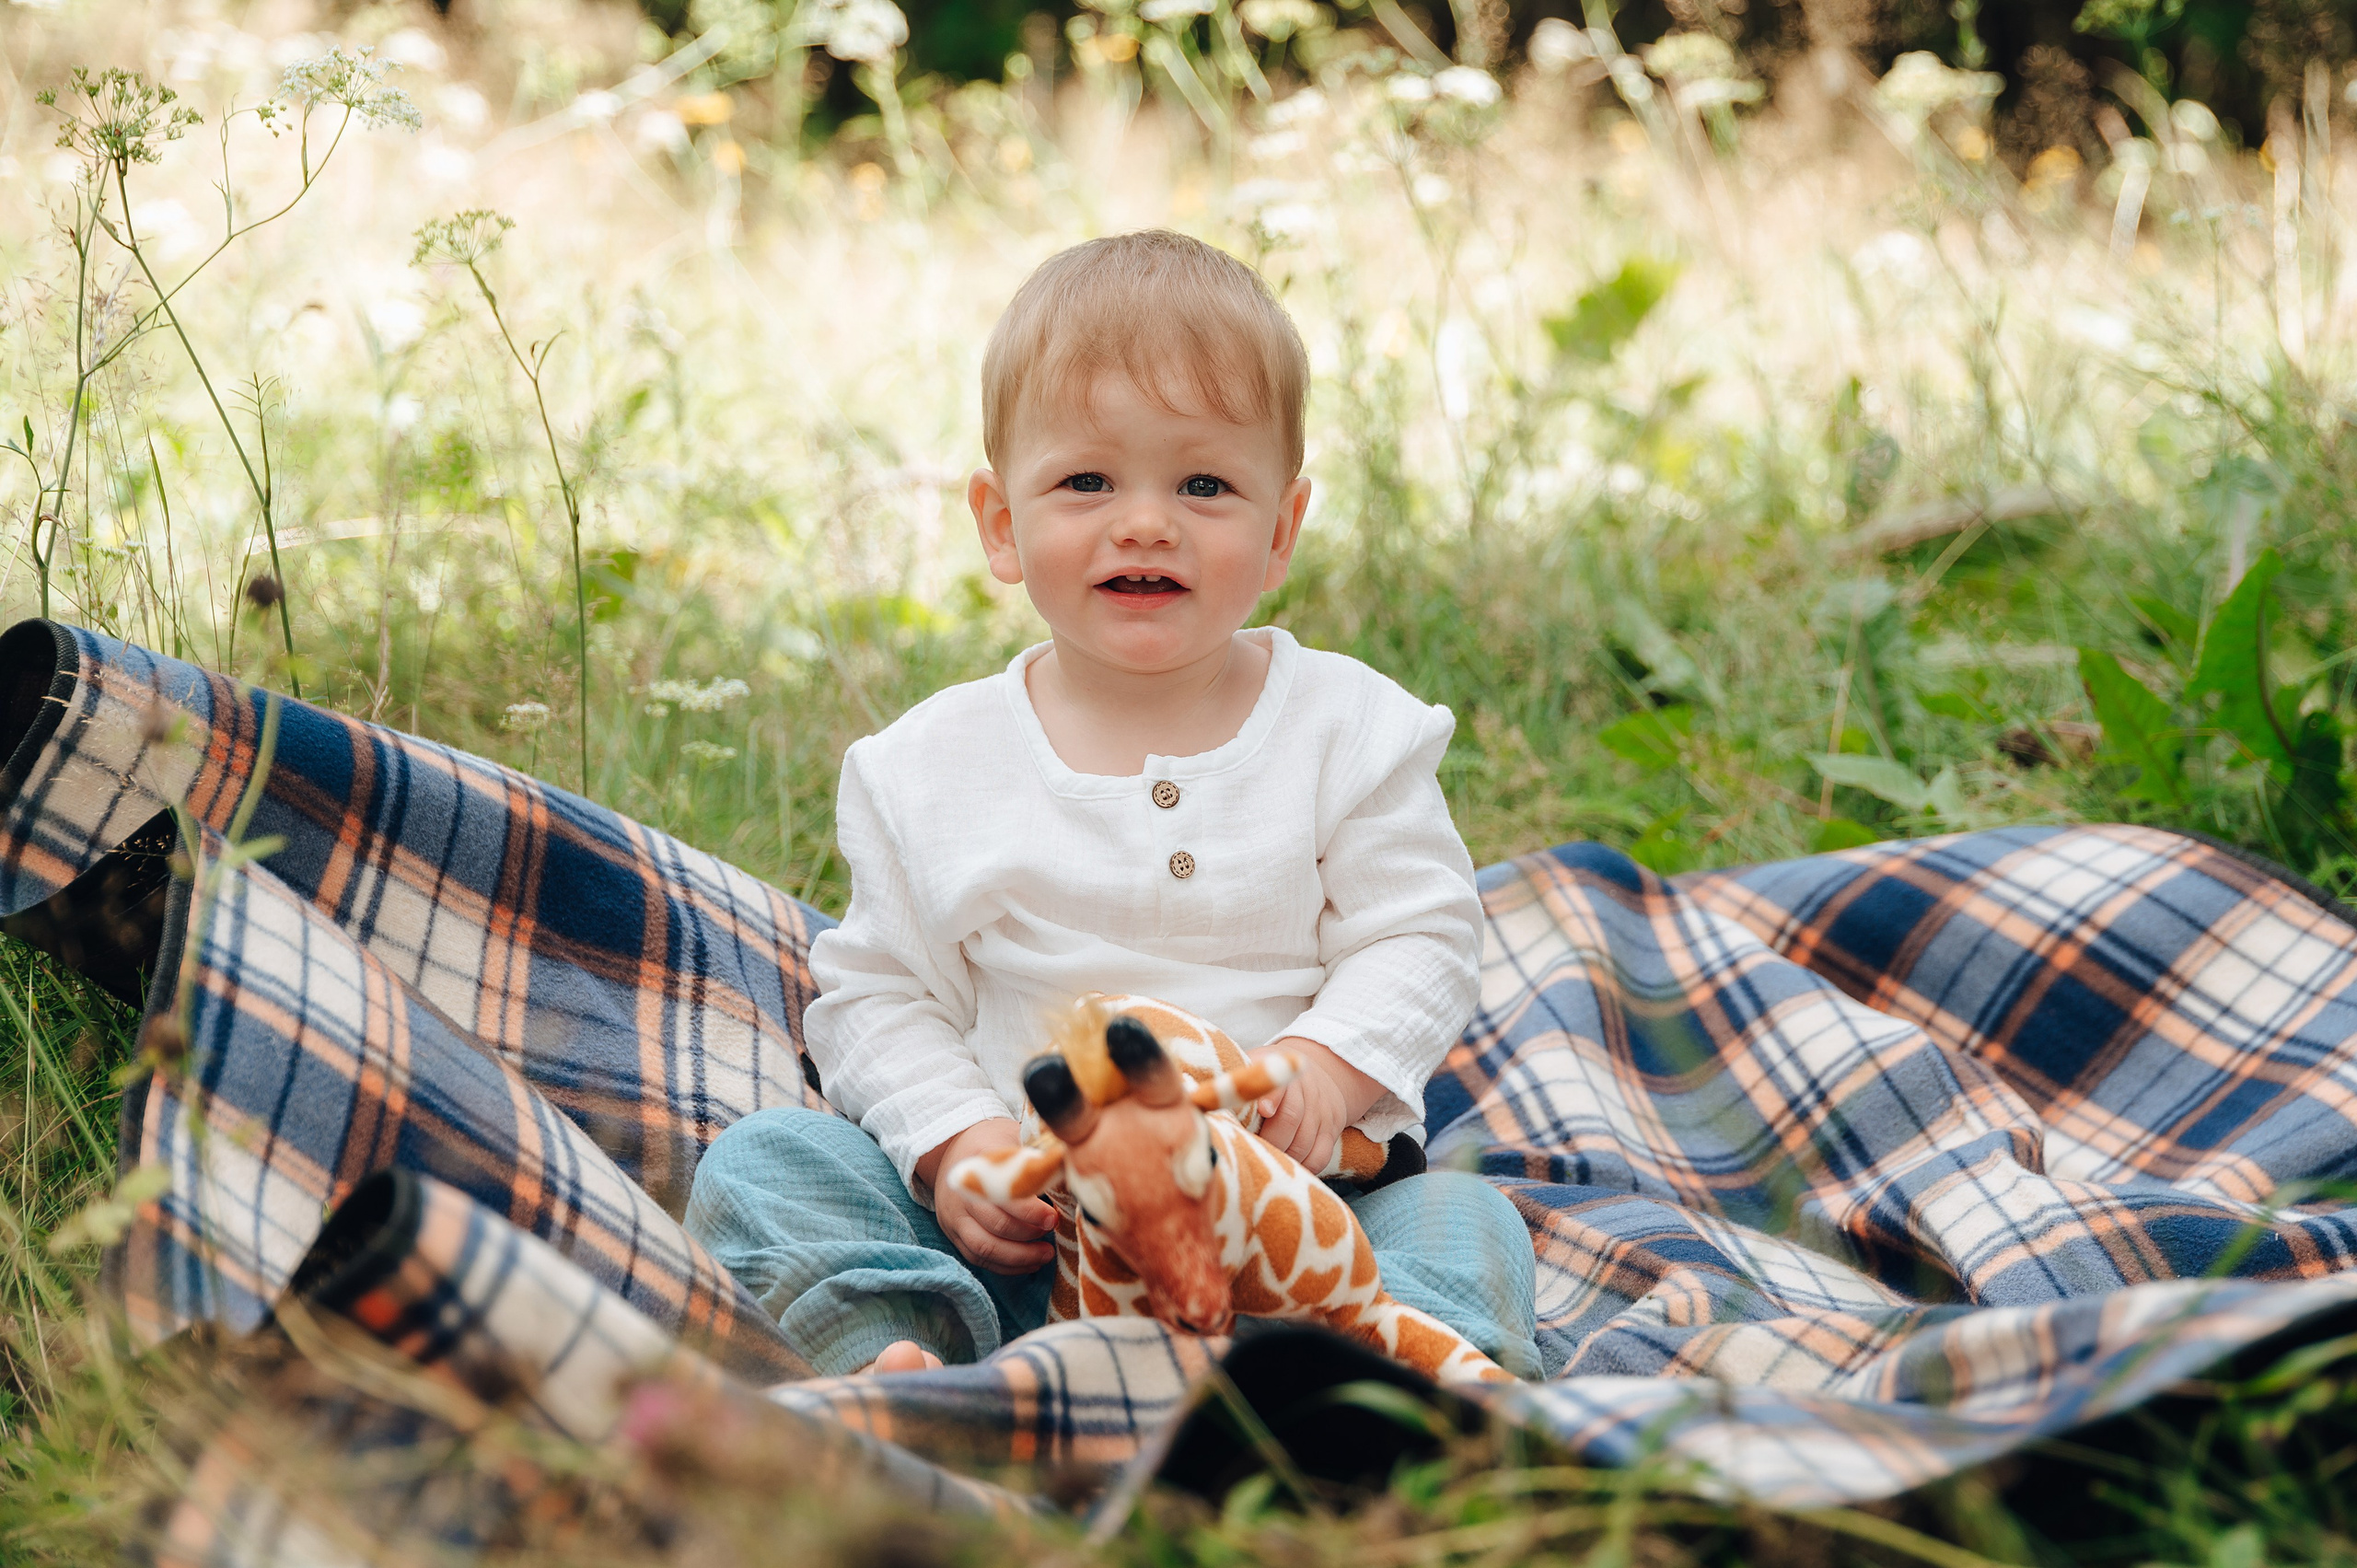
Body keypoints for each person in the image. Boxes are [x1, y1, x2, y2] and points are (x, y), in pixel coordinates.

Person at [685, 230, 1540, 1380]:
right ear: (1000, 522)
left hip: (1289, 1231)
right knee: (767, 1159)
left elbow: (1421, 934)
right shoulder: (927, 766)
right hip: (1027, 1228)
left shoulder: (1350, 728)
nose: (1146, 521)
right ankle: (907, 1364)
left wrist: (1324, 1070)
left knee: (1466, 1223)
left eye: (1203, 484)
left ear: (1281, 527)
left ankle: (1373, 1408)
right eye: (1087, 480)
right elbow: (879, 996)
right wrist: (957, 1147)